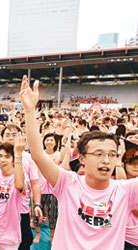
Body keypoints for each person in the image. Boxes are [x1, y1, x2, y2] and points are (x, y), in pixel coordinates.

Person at [20, 75, 138, 249]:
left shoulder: (126, 190)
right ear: (82, 158)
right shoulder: (67, 183)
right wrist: (30, 112)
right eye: (98, 154)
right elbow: (37, 154)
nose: (106, 160)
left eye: (112, 154)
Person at [0, 138, 26, 249]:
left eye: (7, 157)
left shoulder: (19, 178)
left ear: (13, 159)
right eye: (0, 155)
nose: (2, 159)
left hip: (8, 238)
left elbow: (19, 185)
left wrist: (18, 154)